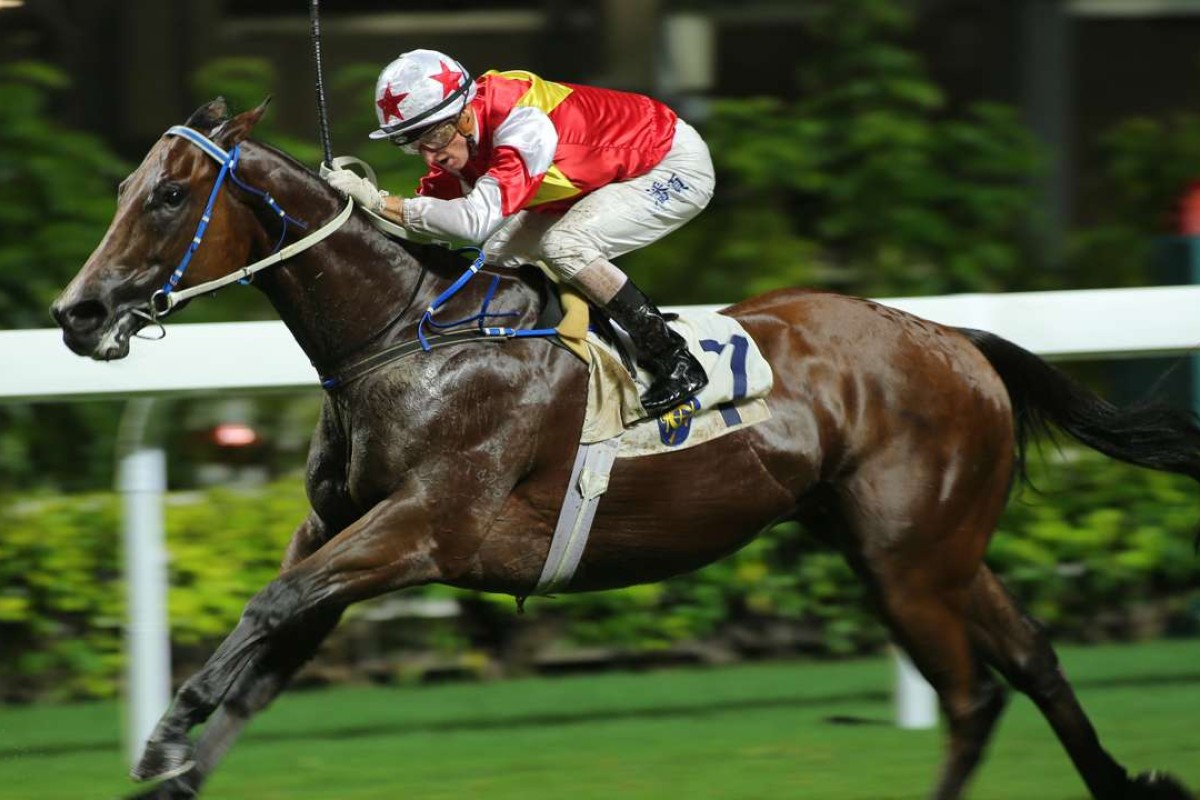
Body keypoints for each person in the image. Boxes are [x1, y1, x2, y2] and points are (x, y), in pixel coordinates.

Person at [324, 48, 714, 415]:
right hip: (597, 182)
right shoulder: (459, 138)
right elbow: (427, 229)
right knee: (493, 260)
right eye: (414, 146)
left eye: (436, 138)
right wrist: (345, 205)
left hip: (668, 165)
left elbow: (471, 223)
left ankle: (672, 359)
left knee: (564, 245)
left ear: (463, 114)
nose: (432, 156)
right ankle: (566, 361)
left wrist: (378, 201)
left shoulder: (524, 125)